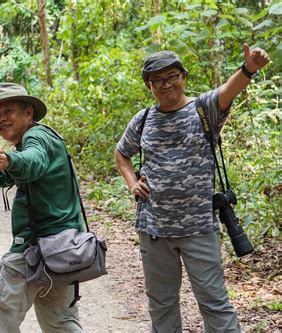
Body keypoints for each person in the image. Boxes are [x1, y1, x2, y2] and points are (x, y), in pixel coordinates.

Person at [115, 43, 270, 332]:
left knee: (214, 302)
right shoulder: (144, 119)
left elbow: (228, 90)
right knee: (161, 304)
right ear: (149, 86)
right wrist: (131, 182)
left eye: (172, 76)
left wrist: (249, 68)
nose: (166, 84)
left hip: (198, 227)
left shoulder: (204, 108)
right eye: (157, 80)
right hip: (154, 229)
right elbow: (121, 153)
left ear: (183, 76)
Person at [0, 82, 84, 332]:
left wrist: (9, 158)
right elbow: (3, 176)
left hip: (36, 248)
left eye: (8, 111)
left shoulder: (36, 138)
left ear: (28, 113)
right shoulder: (38, 138)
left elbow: (32, 161)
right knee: (60, 323)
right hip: (64, 249)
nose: (1, 119)